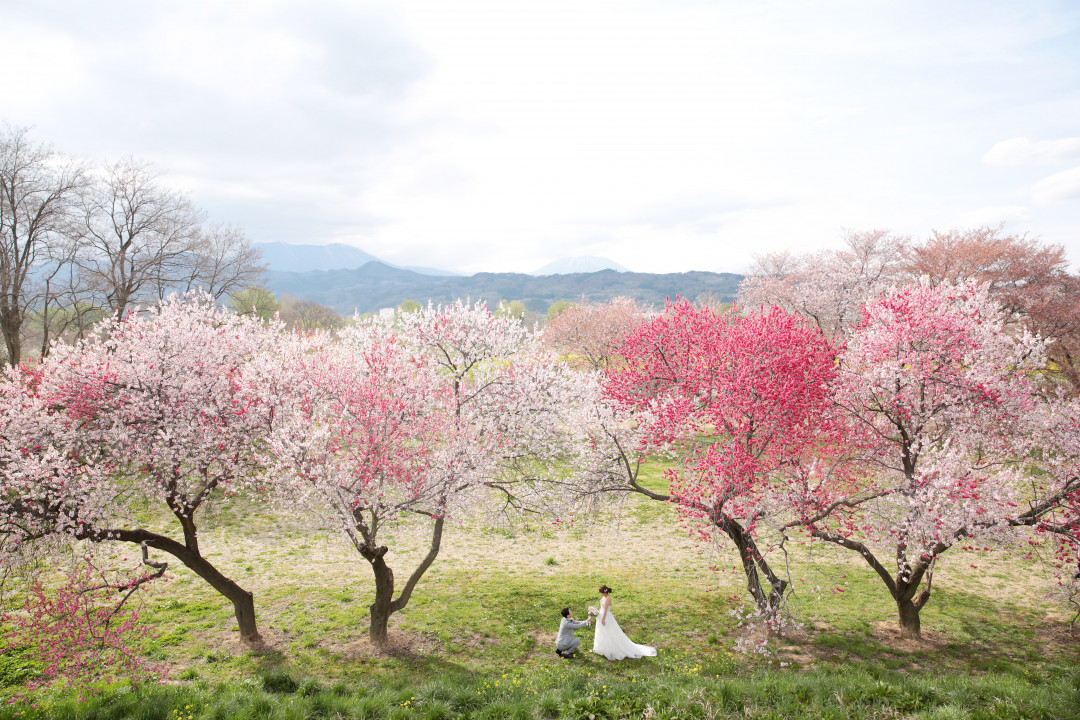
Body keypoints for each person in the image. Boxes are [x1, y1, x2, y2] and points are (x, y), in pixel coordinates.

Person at [592, 584, 656, 660]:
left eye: (601, 592)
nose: (601, 594)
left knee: (609, 631)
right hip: (601, 615)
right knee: (602, 632)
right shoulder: (604, 597)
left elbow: (605, 609)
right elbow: (601, 607)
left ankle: (611, 648)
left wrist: (603, 619)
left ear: (605, 592)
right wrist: (597, 612)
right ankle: (601, 647)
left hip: (606, 617)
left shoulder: (608, 598)